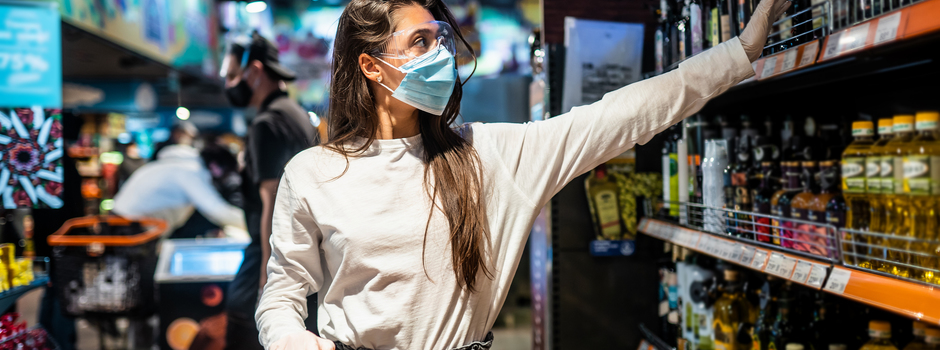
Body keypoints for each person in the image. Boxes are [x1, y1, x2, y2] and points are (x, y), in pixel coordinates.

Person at [255, 0, 790, 348]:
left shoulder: (489, 155)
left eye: (440, 39)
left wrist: (738, 53)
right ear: (372, 66)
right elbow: (281, 297)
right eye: (420, 42)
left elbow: (621, 115)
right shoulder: (313, 173)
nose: (439, 53)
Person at [220, 32, 319, 350]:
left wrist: (267, 276)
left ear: (256, 71)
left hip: (274, 253)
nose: (230, 84)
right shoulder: (295, 113)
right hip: (301, 252)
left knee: (241, 321)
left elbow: (272, 201)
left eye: (234, 75)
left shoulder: (268, 123)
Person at [112, 144, 247, 234]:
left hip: (120, 219)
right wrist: (254, 225)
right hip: (128, 227)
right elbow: (218, 211)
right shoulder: (191, 172)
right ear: (215, 167)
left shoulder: (180, 165)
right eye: (227, 174)